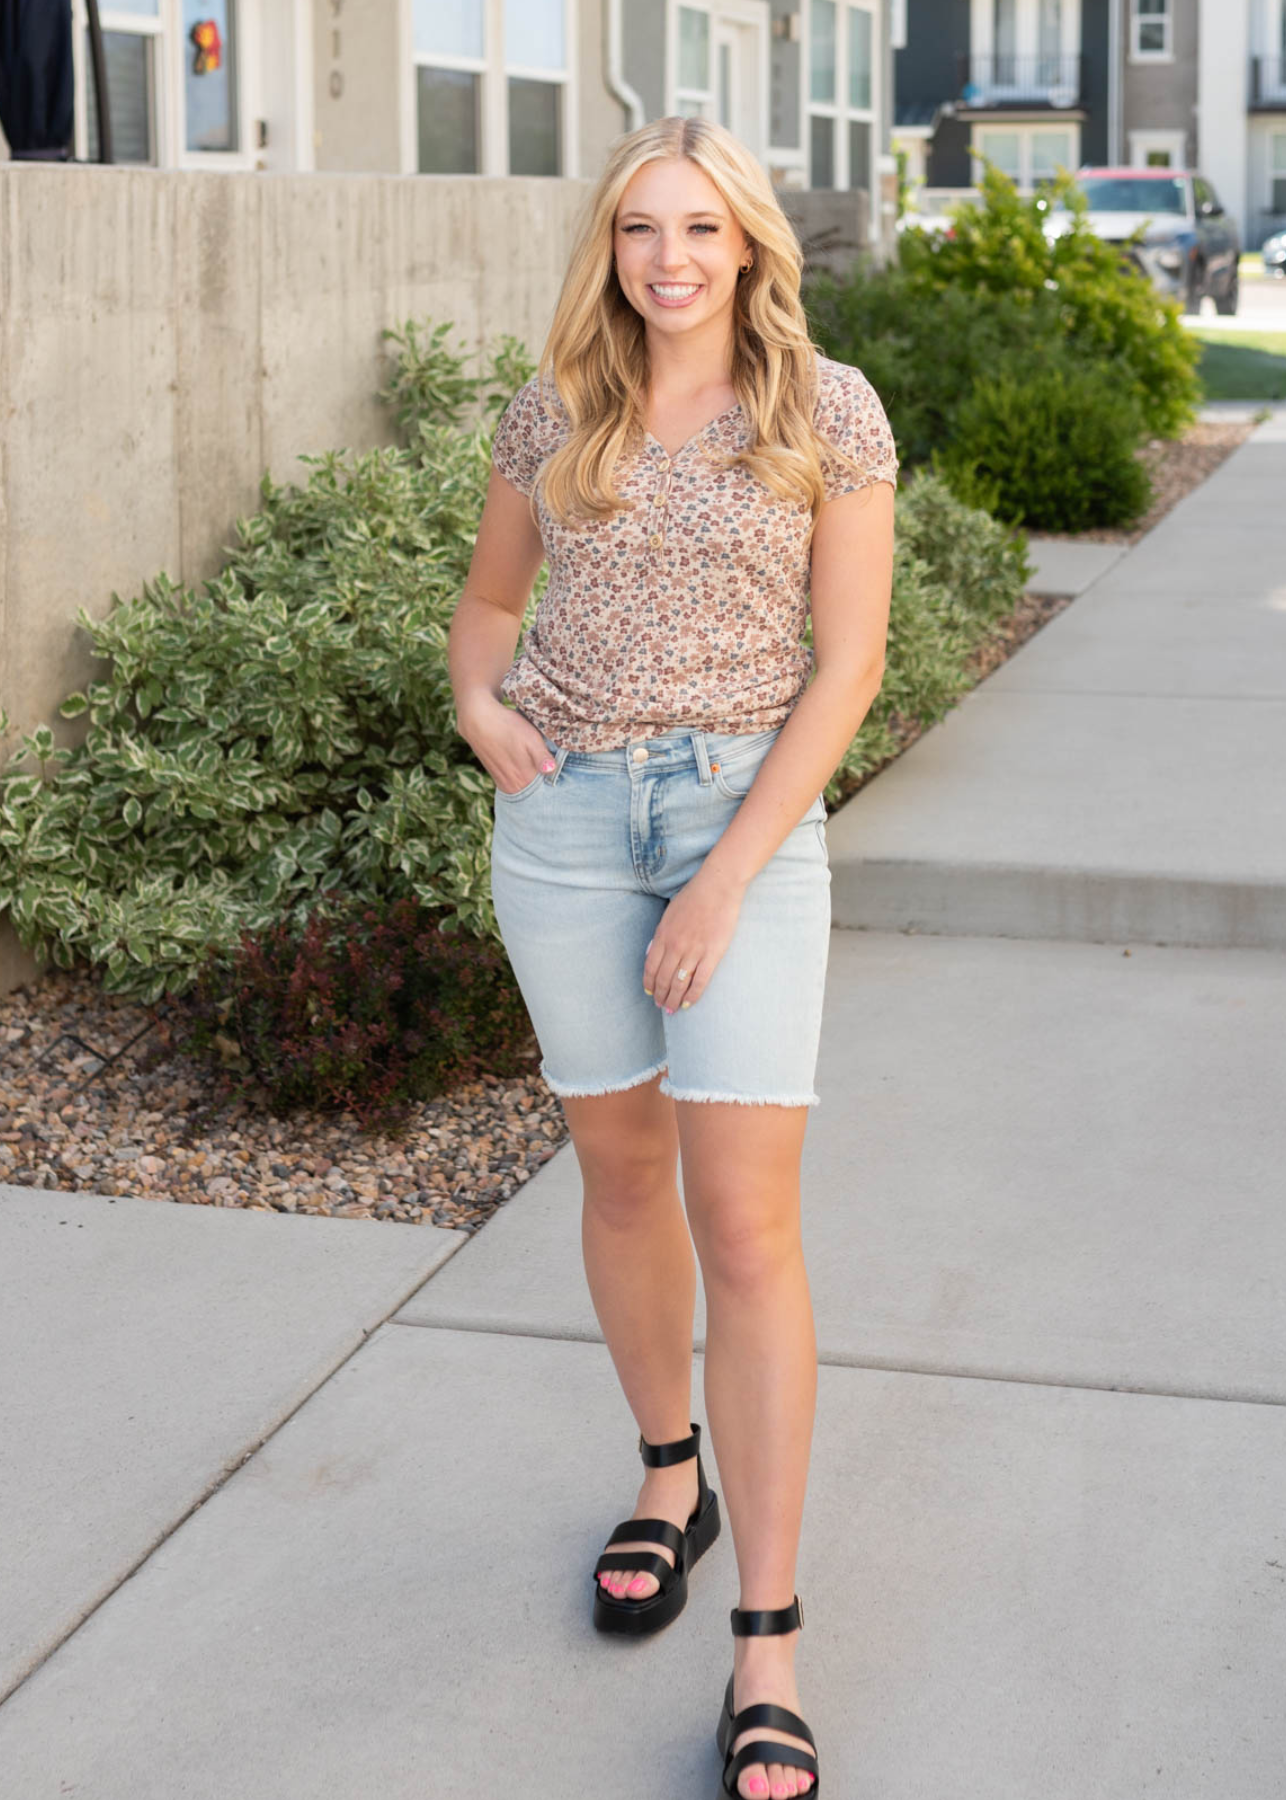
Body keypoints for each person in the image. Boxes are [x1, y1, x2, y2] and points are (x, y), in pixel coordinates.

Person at [448, 114, 896, 1800]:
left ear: (750, 245)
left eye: (701, 228)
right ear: (610, 247)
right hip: (562, 826)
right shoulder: (551, 407)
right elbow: (487, 607)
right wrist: (478, 707)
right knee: (621, 1179)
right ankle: (665, 1478)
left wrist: (723, 880)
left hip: (741, 823)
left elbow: (844, 668)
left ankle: (765, 1644)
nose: (670, 258)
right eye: (642, 228)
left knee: (744, 1219)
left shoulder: (823, 412)